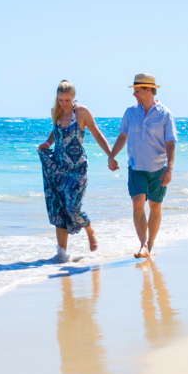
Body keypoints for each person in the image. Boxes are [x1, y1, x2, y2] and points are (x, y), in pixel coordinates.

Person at [38, 80, 114, 262]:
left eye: (67, 100)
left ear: (73, 97)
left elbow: (97, 134)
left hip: (78, 169)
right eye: (60, 100)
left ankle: (89, 230)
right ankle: (61, 253)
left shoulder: (82, 112)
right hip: (57, 168)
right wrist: (47, 144)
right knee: (59, 209)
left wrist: (111, 155)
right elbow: (54, 134)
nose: (63, 104)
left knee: (73, 207)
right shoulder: (55, 112)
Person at [108, 73, 176, 258]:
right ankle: (143, 244)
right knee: (137, 203)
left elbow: (170, 143)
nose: (134, 94)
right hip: (136, 167)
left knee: (155, 205)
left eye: (137, 90)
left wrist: (169, 168)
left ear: (148, 90)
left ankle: (150, 245)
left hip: (159, 169)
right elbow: (123, 136)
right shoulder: (130, 112)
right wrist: (112, 156)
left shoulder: (165, 114)